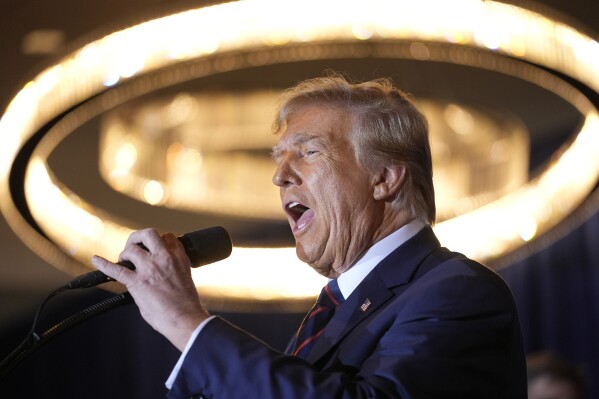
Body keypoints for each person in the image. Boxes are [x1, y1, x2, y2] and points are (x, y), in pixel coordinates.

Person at [92, 75, 528, 398]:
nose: (280, 176)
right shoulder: (334, 311)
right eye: (279, 159)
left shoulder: (458, 291)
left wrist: (186, 322)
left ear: (385, 177)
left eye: (309, 152)